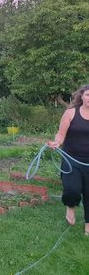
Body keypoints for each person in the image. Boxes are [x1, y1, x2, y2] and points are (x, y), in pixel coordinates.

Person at [48, 84, 89, 235]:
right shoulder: (71, 113)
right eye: (88, 95)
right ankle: (70, 207)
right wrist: (56, 143)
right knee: (72, 189)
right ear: (82, 96)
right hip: (71, 159)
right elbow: (60, 134)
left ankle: (88, 225)